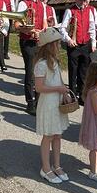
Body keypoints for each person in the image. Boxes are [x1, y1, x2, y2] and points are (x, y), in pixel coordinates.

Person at [34, 27, 70, 184]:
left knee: (57, 135)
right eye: (57, 43)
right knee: (48, 135)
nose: (59, 46)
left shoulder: (55, 62)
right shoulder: (41, 64)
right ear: (50, 45)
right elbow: (39, 88)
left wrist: (65, 93)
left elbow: (59, 80)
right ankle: (46, 168)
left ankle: (57, 165)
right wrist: (58, 89)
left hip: (57, 102)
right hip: (48, 104)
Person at [15, 0, 47, 115]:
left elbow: (44, 23)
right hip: (27, 41)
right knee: (31, 71)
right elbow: (17, 25)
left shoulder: (42, 4)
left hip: (39, 41)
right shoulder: (23, 3)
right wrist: (29, 30)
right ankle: (30, 102)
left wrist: (42, 32)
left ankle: (39, 100)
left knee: (41, 72)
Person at [59, 0, 96, 105]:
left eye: (85, 0)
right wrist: (68, 40)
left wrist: (93, 43)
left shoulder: (89, 11)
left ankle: (82, 96)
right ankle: (73, 95)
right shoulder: (70, 11)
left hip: (85, 44)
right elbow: (62, 28)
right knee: (73, 71)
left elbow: (92, 27)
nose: (83, 2)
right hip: (74, 45)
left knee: (84, 72)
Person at [0, 0, 15, 70]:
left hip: (8, 17)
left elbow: (12, 7)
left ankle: (5, 53)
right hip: (0, 17)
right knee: (0, 36)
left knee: (7, 36)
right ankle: (0, 54)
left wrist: (12, 17)